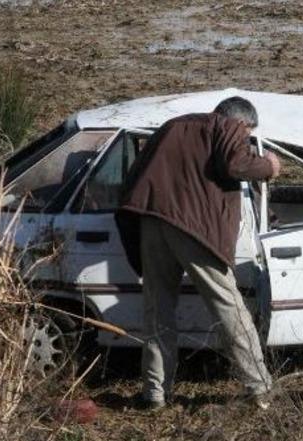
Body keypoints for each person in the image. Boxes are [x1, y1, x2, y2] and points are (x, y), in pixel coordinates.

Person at [115, 96, 281, 410]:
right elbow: (237, 165)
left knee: (157, 309)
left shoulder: (172, 126)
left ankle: (155, 392)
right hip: (193, 229)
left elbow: (136, 173)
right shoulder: (228, 125)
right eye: (248, 134)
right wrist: (269, 166)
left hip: (152, 221)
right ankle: (258, 387)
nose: (245, 138)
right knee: (229, 307)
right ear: (241, 121)